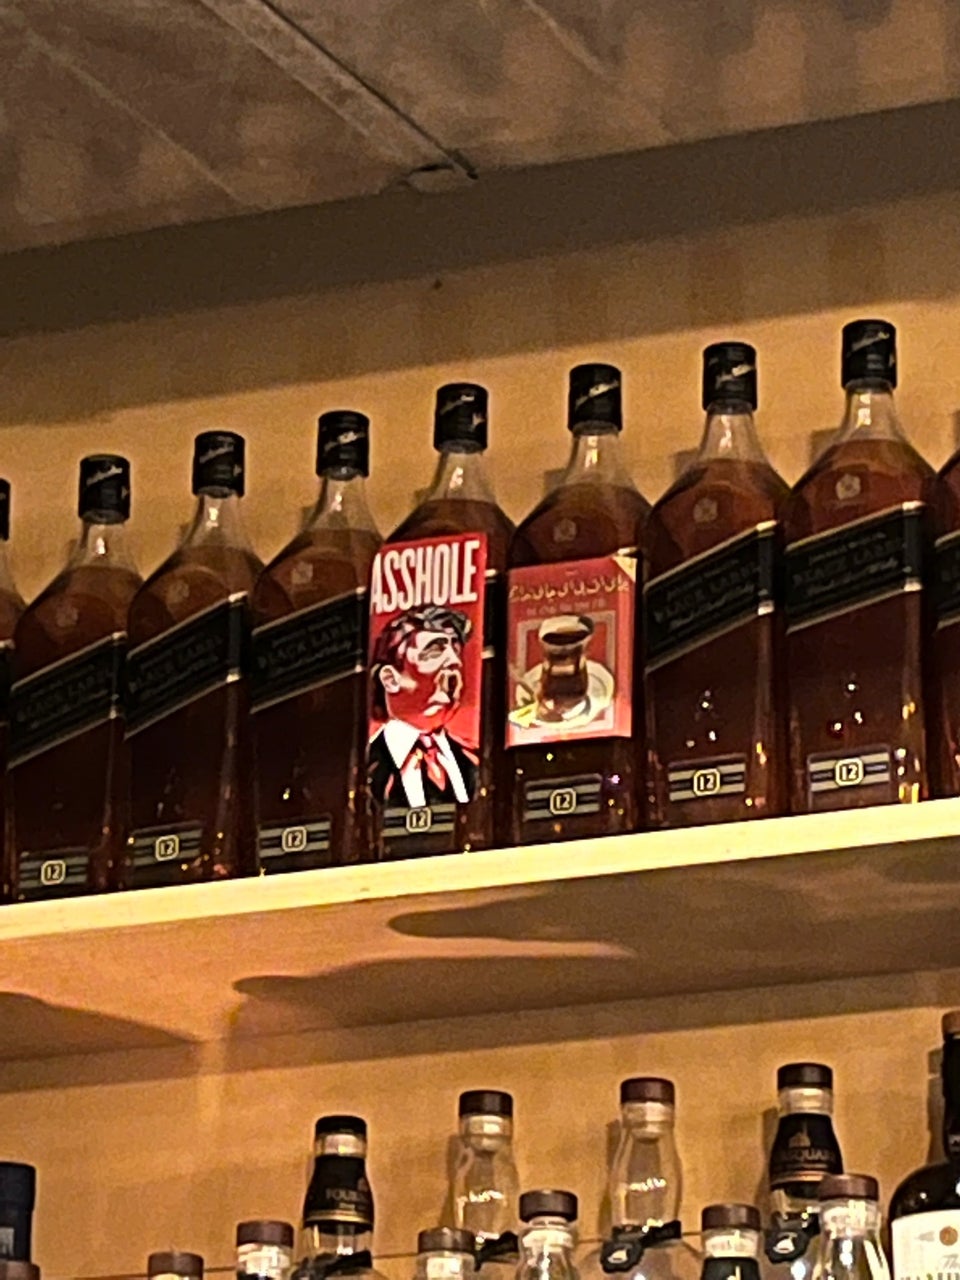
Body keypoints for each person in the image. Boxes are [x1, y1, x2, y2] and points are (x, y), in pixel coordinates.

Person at [368, 604, 478, 808]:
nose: (455, 661)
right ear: (391, 679)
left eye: (455, 650)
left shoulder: (474, 761)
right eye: (434, 651)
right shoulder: (364, 768)